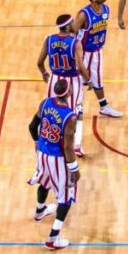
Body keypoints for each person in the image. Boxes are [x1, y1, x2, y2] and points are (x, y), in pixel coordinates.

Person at [27, 79, 80, 251]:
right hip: (57, 158)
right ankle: (53, 238)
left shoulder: (45, 103)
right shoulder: (69, 116)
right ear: (68, 92)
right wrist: (74, 169)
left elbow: (32, 126)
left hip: (42, 153)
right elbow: (67, 146)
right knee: (65, 197)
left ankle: (39, 211)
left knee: (45, 181)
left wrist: (37, 142)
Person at [37, 14, 91, 157]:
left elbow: (39, 62)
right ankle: (76, 145)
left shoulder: (49, 40)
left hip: (54, 80)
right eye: (72, 22)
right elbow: (80, 67)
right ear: (67, 26)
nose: (74, 24)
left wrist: (44, 73)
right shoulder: (75, 43)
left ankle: (51, 139)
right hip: (72, 80)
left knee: (52, 110)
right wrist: (89, 80)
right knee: (75, 113)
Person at [73, 0, 124, 120]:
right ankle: (77, 107)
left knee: (98, 81)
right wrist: (73, 50)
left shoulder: (106, 9)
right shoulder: (84, 14)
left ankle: (104, 107)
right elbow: (73, 32)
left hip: (97, 51)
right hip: (83, 52)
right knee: (78, 80)